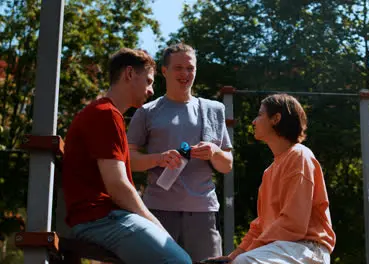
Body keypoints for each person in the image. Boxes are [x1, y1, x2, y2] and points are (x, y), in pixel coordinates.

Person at [62, 48, 191, 264]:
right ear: (129, 74)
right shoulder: (106, 114)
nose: (151, 90)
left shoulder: (107, 114)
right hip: (100, 220)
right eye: (148, 81)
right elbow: (117, 186)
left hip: (100, 218)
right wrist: (155, 225)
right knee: (179, 261)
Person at [127, 43, 233, 261]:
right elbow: (128, 160)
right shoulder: (146, 112)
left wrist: (214, 151)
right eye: (178, 68)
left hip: (203, 213)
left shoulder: (214, 110)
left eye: (190, 68)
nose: (185, 74)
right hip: (158, 212)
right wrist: (159, 158)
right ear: (164, 71)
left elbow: (227, 164)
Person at [214, 94, 336, 264]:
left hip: (308, 249)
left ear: (276, 119)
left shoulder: (299, 156)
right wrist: (231, 258)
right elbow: (260, 226)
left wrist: (249, 252)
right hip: (283, 247)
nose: (254, 121)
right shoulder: (269, 172)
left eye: (260, 114)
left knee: (245, 262)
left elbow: (294, 224)